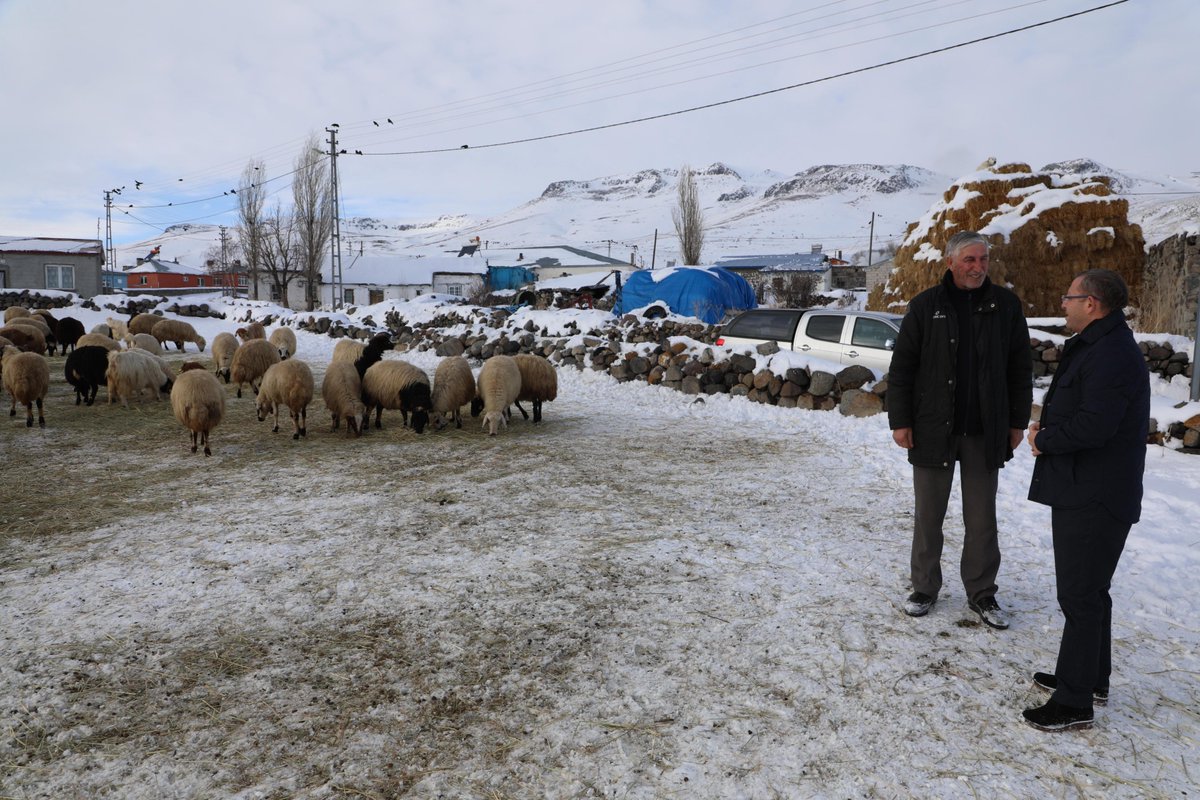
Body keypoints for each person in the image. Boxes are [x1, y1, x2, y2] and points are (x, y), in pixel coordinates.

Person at [1023, 268, 1149, 731]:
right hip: (1088, 486)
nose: (1063, 303)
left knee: (1080, 594)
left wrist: (1045, 440)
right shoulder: (1101, 344)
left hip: (1096, 493)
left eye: (1069, 297)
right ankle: (1090, 677)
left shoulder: (1111, 352)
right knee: (1091, 590)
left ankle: (1074, 702)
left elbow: (1096, 426)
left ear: (1091, 303)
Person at [887, 230, 1033, 629]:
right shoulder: (925, 306)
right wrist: (900, 421)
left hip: (986, 430)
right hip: (933, 428)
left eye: (983, 259)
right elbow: (902, 369)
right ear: (950, 262)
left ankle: (982, 592)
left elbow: (1020, 368)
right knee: (928, 515)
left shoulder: (1005, 306)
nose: (978, 267)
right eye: (969, 259)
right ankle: (924, 587)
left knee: (982, 518)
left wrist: (1017, 421)